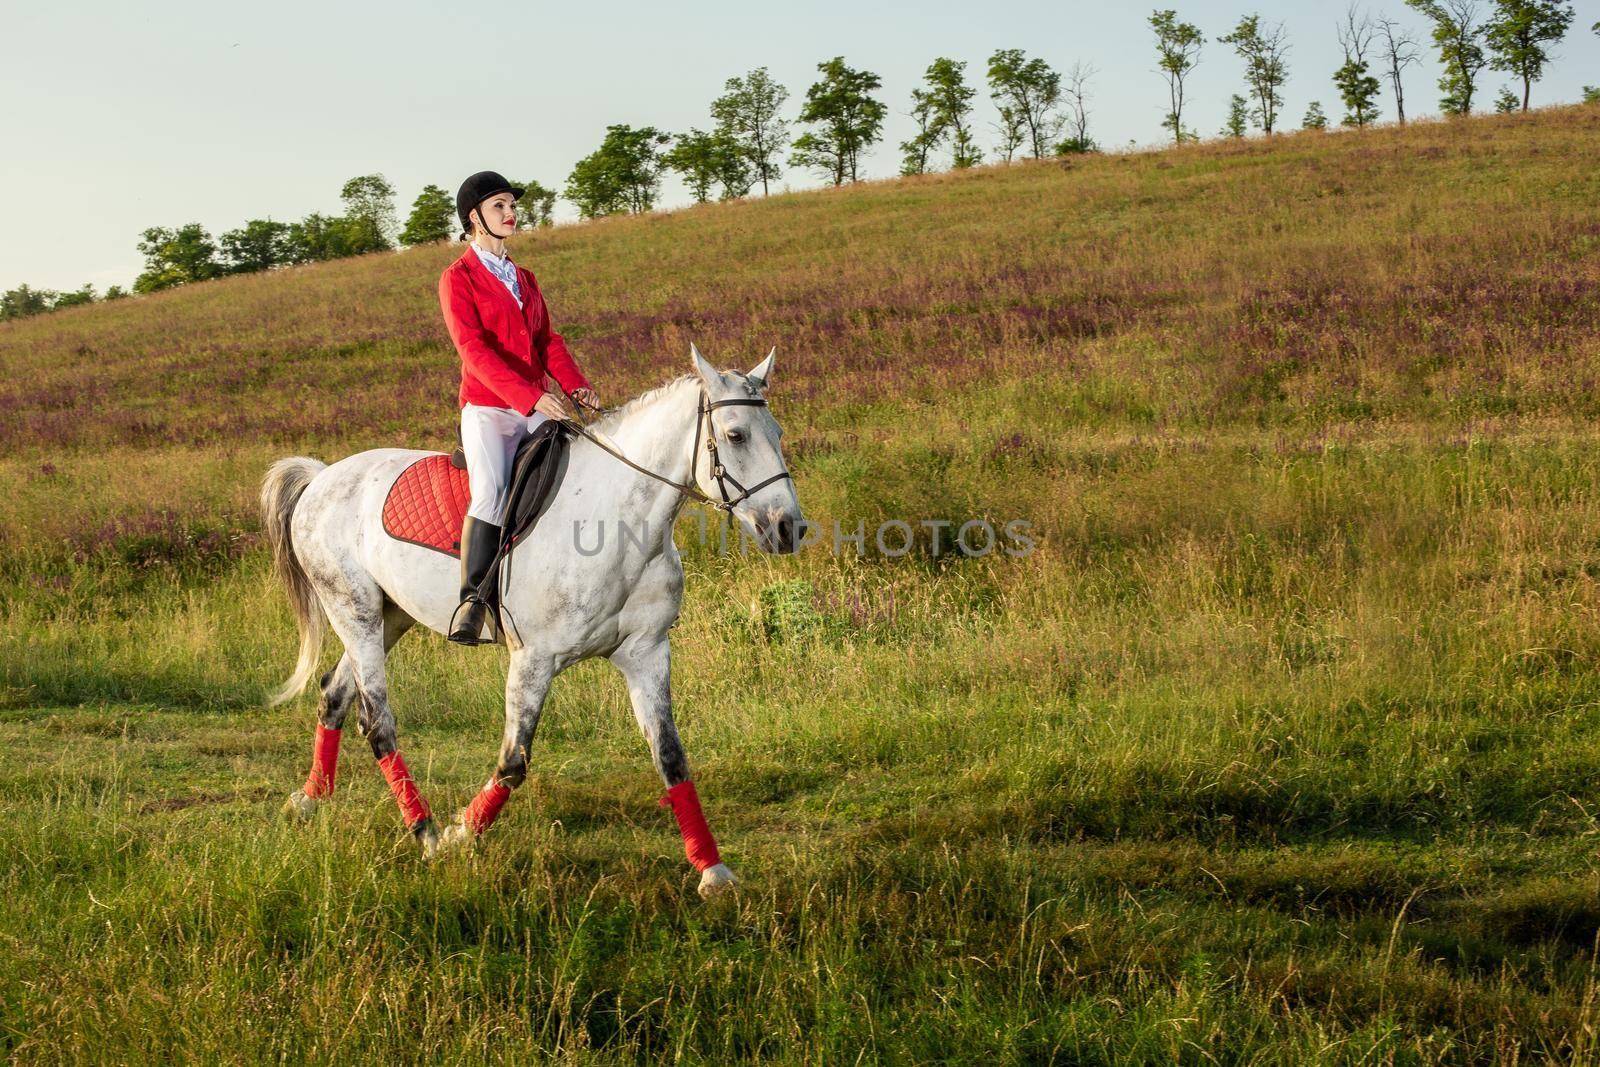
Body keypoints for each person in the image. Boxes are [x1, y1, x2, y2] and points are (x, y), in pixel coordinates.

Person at [438, 170, 599, 644]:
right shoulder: (457, 279)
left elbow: (548, 341)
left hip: (537, 401)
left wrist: (576, 386)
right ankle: (472, 601)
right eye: (499, 207)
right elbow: (475, 352)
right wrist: (531, 397)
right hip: (489, 408)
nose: (511, 214)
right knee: (490, 491)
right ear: (475, 218)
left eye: (511, 206)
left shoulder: (525, 278)